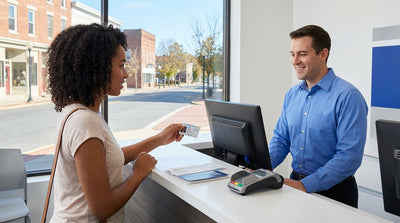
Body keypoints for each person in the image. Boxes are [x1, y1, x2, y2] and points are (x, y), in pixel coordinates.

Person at [47, 23, 185, 222]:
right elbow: (102, 208)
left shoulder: (76, 112)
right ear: (97, 67)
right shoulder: (85, 122)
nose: (126, 74)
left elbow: (110, 158)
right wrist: (138, 173)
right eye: (121, 65)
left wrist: (160, 139)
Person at [269, 25, 368, 208]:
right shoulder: (292, 95)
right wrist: (261, 168)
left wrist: (305, 185)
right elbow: (281, 140)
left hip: (335, 192)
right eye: (292, 54)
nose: (295, 61)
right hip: (295, 184)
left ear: (323, 54)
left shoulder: (348, 96)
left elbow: (349, 156)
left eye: (302, 54)